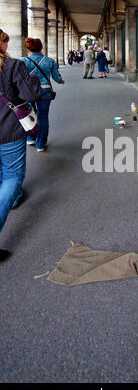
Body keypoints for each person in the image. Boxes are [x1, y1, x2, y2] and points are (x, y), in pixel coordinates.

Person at [0, 29, 42, 262]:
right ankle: (12, 196)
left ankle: (14, 198)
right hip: (8, 129)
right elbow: (31, 93)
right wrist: (33, 78)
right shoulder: (13, 66)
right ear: (3, 45)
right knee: (13, 176)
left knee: (1, 174)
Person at [21, 38, 65, 152]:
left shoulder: (23, 61)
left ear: (28, 48)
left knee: (30, 114)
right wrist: (61, 81)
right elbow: (56, 77)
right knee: (43, 117)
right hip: (45, 90)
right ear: (41, 48)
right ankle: (40, 144)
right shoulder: (50, 61)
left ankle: (31, 138)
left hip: (29, 91)